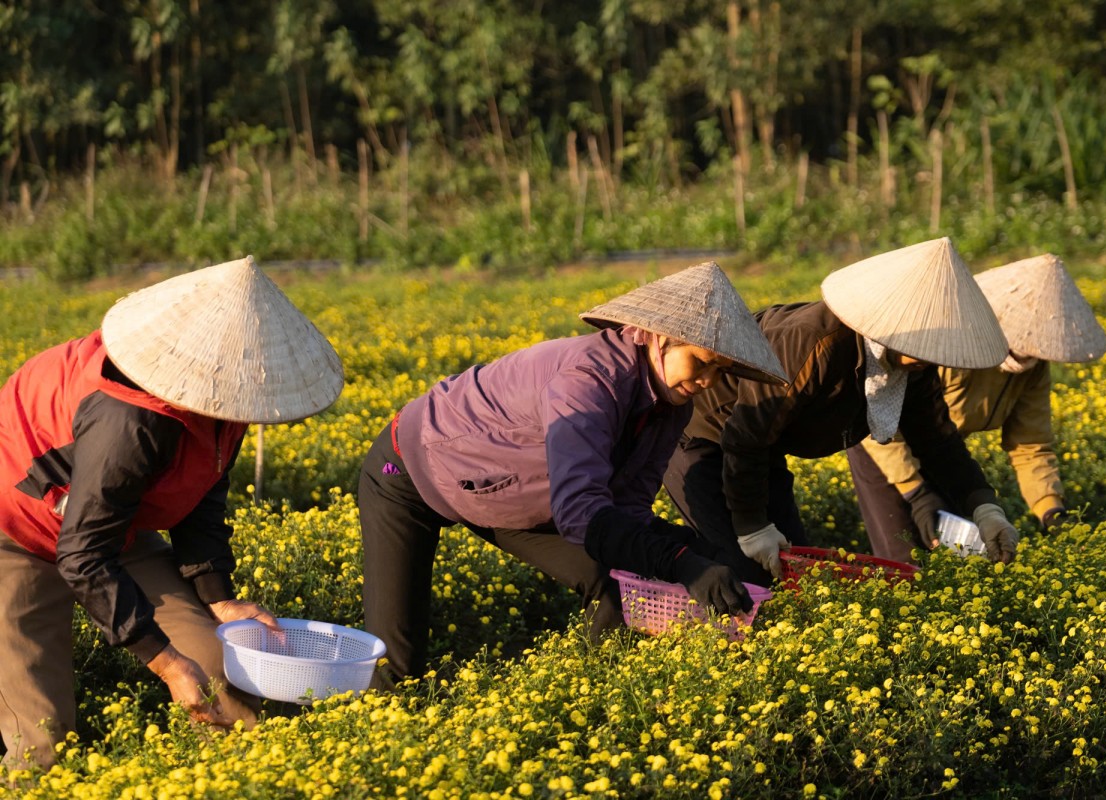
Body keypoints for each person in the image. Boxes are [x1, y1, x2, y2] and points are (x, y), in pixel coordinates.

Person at [358, 262, 788, 687]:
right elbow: (583, 514)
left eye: (721, 372)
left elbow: (628, 508)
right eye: (703, 362)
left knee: (615, 584)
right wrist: (681, 563)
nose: (709, 381)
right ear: (661, 339)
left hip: (508, 490)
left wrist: (699, 553)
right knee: (397, 665)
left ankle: (595, 705)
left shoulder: (671, 406)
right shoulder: (588, 379)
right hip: (411, 469)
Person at [0, 256, 344, 770]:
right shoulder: (131, 420)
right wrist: (164, 663)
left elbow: (201, 497)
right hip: (15, 529)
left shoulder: (226, 399)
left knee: (217, 672)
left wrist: (219, 599)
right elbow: (83, 557)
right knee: (45, 745)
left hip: (111, 523)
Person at [663, 237, 1023, 582]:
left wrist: (985, 508)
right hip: (704, 437)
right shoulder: (813, 343)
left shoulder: (914, 367)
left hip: (761, 452)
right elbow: (746, 435)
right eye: (925, 346)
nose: (931, 358)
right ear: (893, 329)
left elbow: (937, 441)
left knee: (792, 569)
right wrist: (752, 527)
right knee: (740, 573)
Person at [846, 254, 1106, 560]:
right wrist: (915, 491)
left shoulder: (1033, 370)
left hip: (943, 453)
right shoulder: (957, 351)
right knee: (905, 557)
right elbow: (881, 408)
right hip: (882, 440)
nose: (1028, 357)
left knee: (954, 552)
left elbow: (1030, 444)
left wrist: (1052, 510)